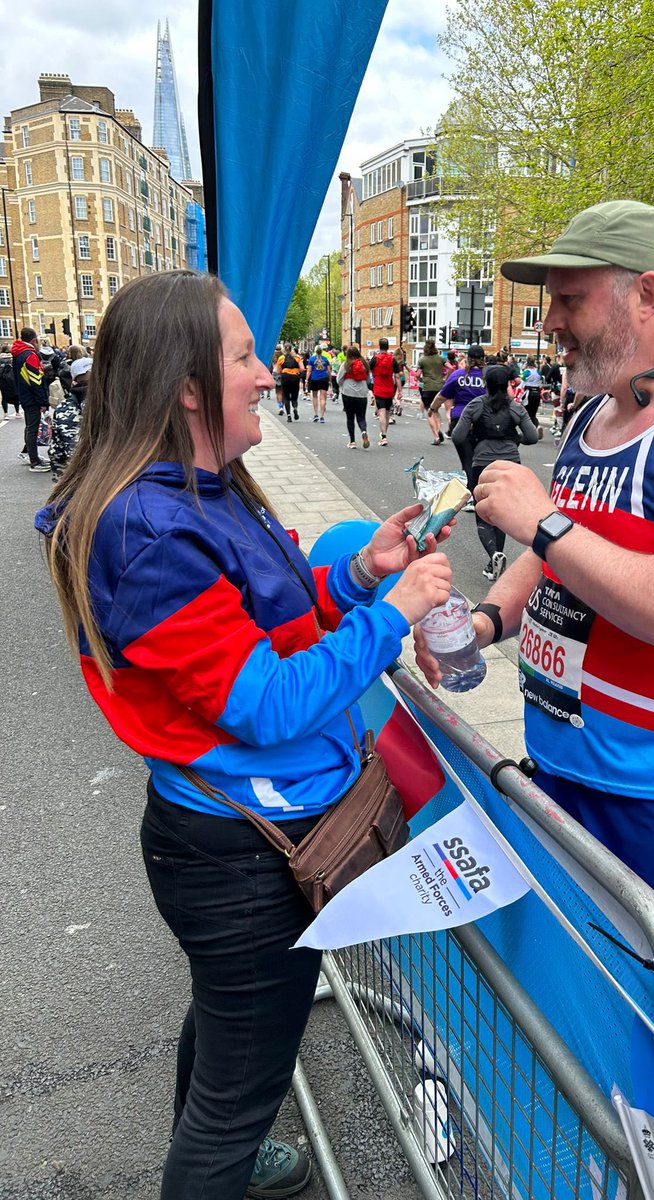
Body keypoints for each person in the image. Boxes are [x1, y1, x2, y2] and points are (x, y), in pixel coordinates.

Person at [35, 271, 454, 1200]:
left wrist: (358, 575)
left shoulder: (198, 490)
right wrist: (392, 615)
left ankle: (230, 1156)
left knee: (229, 1036)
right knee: (237, 1093)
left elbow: (262, 621)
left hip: (235, 839)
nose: (269, 375)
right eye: (243, 357)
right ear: (187, 385)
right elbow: (263, 700)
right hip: (238, 856)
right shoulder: (150, 527)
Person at [416, 200, 654, 899]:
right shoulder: (598, 410)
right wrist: (484, 625)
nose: (550, 323)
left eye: (570, 300)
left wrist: (542, 521)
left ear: (647, 294)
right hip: (559, 765)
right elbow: (554, 557)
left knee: (651, 1006)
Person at [451, 363, 539, 580]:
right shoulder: (515, 407)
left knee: (483, 513)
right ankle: (494, 562)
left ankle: (494, 555)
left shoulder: (475, 406)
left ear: (485, 383)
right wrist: (513, 438)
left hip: (483, 464)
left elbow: (457, 437)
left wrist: (476, 437)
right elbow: (532, 437)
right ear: (508, 383)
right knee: (502, 512)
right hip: (511, 464)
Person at [430, 344, 487, 497]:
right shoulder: (488, 376)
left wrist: (432, 408)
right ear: (483, 359)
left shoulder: (458, 375)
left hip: (460, 420)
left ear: (468, 359)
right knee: (481, 459)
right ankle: (481, 492)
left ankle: (470, 494)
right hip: (484, 421)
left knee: (467, 459)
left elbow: (442, 396)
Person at [12, 326, 50, 470]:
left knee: (30, 427)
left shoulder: (19, 353)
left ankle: (30, 454)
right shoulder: (30, 355)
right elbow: (36, 380)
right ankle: (34, 461)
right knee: (33, 429)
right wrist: (42, 401)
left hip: (24, 394)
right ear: (34, 340)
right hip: (32, 397)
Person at [48, 355, 89, 481]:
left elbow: (56, 452)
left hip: (73, 480)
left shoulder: (62, 409)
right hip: (111, 482)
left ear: (73, 381)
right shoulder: (115, 404)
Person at [336, 343, 371, 448]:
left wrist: (343, 386)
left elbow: (338, 379)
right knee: (361, 417)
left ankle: (352, 442)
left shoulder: (346, 364)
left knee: (350, 417)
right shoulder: (364, 364)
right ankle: (363, 431)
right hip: (362, 394)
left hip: (348, 393)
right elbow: (368, 380)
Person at [368, 337, 399, 445]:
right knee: (386, 413)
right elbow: (397, 376)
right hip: (390, 388)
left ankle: (383, 436)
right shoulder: (392, 359)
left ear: (379, 346)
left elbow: (367, 370)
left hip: (378, 388)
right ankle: (384, 434)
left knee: (381, 412)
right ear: (388, 346)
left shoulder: (374, 359)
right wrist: (399, 390)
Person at [418, 338, 446, 445]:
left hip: (428, 388)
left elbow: (417, 374)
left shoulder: (422, 360)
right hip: (439, 388)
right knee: (436, 410)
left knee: (429, 412)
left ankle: (436, 436)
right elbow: (450, 368)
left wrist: (421, 379)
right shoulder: (440, 358)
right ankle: (439, 429)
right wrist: (445, 378)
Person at [305, 345, 332, 422]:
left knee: (315, 397)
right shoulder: (325, 359)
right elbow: (329, 370)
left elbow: (309, 370)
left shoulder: (312, 359)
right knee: (323, 398)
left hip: (315, 379)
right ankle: (322, 416)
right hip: (324, 379)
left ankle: (316, 414)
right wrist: (329, 380)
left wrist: (306, 380)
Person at [277, 344, 303, 421]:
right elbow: (302, 368)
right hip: (295, 377)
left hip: (285, 377)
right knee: (294, 396)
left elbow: (278, 371)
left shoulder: (281, 358)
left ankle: (289, 416)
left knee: (286, 397)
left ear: (284, 349)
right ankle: (295, 408)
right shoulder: (297, 358)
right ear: (292, 349)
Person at [0, 344, 21, 418]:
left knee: (4, 396)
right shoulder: (12, 357)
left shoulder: (0, 357)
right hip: (12, 378)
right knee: (16, 395)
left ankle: (6, 414)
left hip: (2, 378)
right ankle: (17, 413)